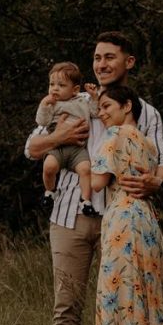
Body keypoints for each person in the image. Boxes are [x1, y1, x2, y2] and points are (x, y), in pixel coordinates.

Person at [25, 32, 163, 325]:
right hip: (69, 217)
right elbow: (31, 148)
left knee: (123, 298)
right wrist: (60, 137)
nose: (101, 64)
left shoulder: (146, 113)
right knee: (67, 304)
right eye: (97, 58)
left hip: (120, 218)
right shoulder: (72, 100)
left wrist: (155, 182)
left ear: (129, 62)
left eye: (109, 57)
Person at [91, 85, 163, 325]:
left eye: (107, 107)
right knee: (146, 291)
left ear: (127, 106)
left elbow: (97, 184)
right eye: (99, 109)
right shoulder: (148, 143)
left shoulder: (113, 135)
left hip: (121, 216)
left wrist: (75, 167)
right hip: (146, 216)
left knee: (119, 291)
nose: (101, 114)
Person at [34, 61, 99, 215]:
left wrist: (94, 97)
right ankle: (50, 191)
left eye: (61, 85)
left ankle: (85, 201)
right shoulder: (52, 104)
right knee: (49, 166)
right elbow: (42, 121)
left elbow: (95, 113)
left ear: (75, 90)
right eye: (52, 84)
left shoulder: (82, 101)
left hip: (78, 149)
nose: (55, 88)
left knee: (85, 169)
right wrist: (43, 105)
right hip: (58, 148)